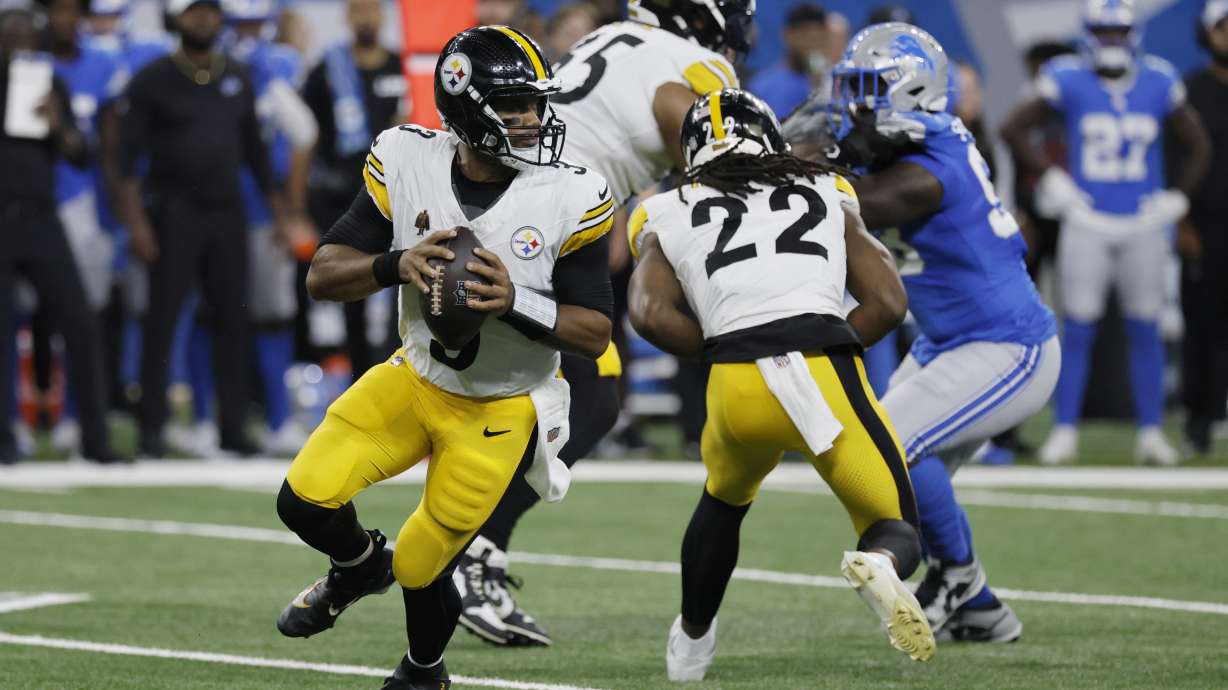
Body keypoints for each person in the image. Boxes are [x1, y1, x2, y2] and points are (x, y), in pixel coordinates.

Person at [273, 26, 613, 689]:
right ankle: (358, 565)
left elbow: (595, 331)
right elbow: (324, 273)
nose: (531, 119)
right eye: (513, 105)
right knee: (303, 502)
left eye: (534, 104)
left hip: (499, 408)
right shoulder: (407, 158)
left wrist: (516, 301)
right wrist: (396, 262)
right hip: (416, 376)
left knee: (423, 567)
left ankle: (423, 671)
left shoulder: (571, 194)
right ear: (465, 105)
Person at [451, 0, 752, 648]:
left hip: (514, 207)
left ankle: (472, 552)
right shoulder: (694, 66)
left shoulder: (613, 38)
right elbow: (679, 109)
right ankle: (470, 555)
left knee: (556, 399)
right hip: (539, 223)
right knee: (589, 401)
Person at [627, 89, 931, 679]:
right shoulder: (824, 190)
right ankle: (880, 564)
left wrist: (717, 353)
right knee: (895, 527)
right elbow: (889, 302)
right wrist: (832, 346)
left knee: (724, 498)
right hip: (823, 366)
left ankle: (691, 642)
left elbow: (648, 313)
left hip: (735, 377)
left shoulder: (666, 208)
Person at [795, 22, 1061, 643]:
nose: (850, 106)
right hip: (950, 341)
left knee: (895, 446)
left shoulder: (929, 170)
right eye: (849, 89)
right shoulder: (910, 144)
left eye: (865, 91)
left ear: (910, 94)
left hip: (1009, 345)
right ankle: (982, 607)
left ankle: (960, 577)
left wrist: (786, 167)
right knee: (889, 460)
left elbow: (847, 200)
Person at [1001, 0, 1211, 466]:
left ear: (1132, 35)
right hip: (1088, 219)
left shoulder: (1157, 79)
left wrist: (1178, 196)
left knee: (1145, 326)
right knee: (1077, 326)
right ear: (1088, 34)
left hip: (1143, 220)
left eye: (1118, 33)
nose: (1111, 42)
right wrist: (1053, 176)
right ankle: (1065, 430)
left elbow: (1198, 143)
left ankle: (1152, 432)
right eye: (1103, 32)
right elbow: (1013, 127)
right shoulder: (1069, 77)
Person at [117, 0, 293, 457]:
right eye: (194, 12)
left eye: (210, 11)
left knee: (233, 318)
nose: (203, 19)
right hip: (173, 212)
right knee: (164, 319)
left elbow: (256, 153)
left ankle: (231, 426)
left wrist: (280, 214)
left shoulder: (236, 75)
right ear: (178, 19)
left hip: (227, 211)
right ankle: (153, 428)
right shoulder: (153, 78)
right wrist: (136, 222)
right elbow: (124, 160)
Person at [0, 6, 116, 464]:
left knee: (81, 324)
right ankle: (5, 440)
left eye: (28, 38)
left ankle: (96, 439)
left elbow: (81, 154)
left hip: (42, 218)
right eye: (11, 37)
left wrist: (57, 124)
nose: (20, 47)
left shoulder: (51, 86)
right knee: (3, 331)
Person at [222, 0, 317, 454]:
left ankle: (277, 417)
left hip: (263, 210)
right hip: (211, 208)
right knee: (211, 316)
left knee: (272, 316)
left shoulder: (275, 65)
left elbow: (302, 134)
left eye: (256, 23)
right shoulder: (207, 63)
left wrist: (290, 209)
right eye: (241, 24)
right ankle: (211, 419)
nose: (248, 33)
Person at [32, 0, 125, 452]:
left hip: (82, 202)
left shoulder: (103, 61)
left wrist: (118, 207)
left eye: (73, 11)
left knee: (83, 315)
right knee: (29, 316)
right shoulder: (25, 62)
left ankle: (74, 413)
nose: (65, 20)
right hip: (28, 203)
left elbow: (108, 146)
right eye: (57, 10)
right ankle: (22, 417)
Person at [299, 0, 406, 382]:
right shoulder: (327, 70)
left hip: (400, 199)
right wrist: (298, 210)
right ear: (346, 16)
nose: (366, 17)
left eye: (372, 9)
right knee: (351, 294)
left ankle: (398, 381)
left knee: (402, 289)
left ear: (383, 15)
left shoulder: (403, 67)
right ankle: (359, 382)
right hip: (343, 200)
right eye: (358, 9)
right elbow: (304, 140)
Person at [1179, 0, 1228, 454]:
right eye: (1223, 27)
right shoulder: (1190, 90)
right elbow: (1175, 159)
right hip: (1207, 226)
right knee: (1203, 326)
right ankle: (1199, 419)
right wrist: (1181, 219)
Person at [747, 3, 828, 118]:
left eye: (818, 39)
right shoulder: (763, 87)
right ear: (787, 35)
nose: (811, 45)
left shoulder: (831, 85)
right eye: (805, 37)